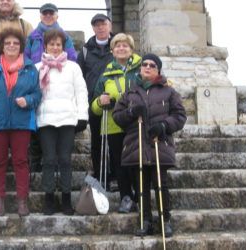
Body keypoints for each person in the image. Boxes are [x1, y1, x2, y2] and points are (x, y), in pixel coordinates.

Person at [112, 53, 187, 237]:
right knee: (141, 187)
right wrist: (131, 112)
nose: (147, 67)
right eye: (144, 64)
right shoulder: (130, 92)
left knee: (160, 184)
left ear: (158, 70)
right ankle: (144, 221)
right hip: (136, 145)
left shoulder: (169, 92)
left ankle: (164, 220)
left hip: (159, 144)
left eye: (152, 65)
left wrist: (164, 125)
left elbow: (179, 115)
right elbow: (117, 116)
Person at [0, 28, 41, 217]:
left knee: (21, 162)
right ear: (2, 47)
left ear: (21, 46)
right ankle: (0, 203)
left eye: (15, 43)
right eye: (8, 43)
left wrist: (28, 101)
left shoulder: (30, 68)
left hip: (21, 122)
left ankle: (23, 202)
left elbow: (37, 94)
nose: (12, 46)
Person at [35, 29, 88, 215]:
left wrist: (82, 116)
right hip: (46, 119)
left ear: (63, 46)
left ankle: (66, 199)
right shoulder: (37, 67)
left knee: (65, 160)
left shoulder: (73, 67)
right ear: (46, 46)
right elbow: (34, 95)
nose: (55, 48)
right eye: (52, 44)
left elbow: (81, 92)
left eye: (58, 44)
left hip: (67, 119)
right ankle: (49, 199)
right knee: (49, 160)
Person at [24, 2, 77, 173]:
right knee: (36, 122)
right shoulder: (31, 37)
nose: (48, 16)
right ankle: (36, 159)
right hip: (35, 82)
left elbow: (72, 59)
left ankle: (52, 159)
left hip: (58, 85)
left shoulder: (65, 37)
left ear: (57, 15)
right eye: (45, 13)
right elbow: (25, 59)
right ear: (40, 16)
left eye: (51, 13)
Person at [91, 33, 141, 212]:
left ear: (131, 49)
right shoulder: (106, 74)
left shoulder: (142, 69)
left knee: (137, 161)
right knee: (119, 163)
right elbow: (95, 106)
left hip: (137, 123)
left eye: (125, 45)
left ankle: (140, 196)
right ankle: (125, 196)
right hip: (113, 125)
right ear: (112, 51)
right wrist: (100, 102)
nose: (121, 48)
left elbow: (158, 86)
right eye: (118, 46)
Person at [77, 13, 114, 185]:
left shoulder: (119, 46)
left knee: (115, 141)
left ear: (109, 26)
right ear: (93, 28)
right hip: (94, 102)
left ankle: (115, 174)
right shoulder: (85, 50)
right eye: (96, 25)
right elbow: (79, 76)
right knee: (97, 141)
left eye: (103, 24)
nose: (100, 27)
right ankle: (100, 174)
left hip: (116, 103)